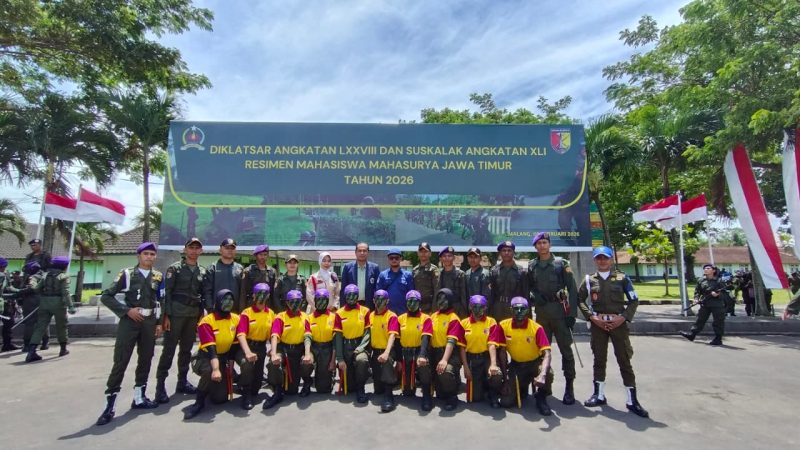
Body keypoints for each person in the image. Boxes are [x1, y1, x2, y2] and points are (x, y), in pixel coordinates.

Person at [96, 242, 164, 426]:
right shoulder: (126, 274)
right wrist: (126, 311)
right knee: (121, 360)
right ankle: (109, 406)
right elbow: (106, 296)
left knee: (146, 359)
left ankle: (139, 397)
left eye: (152, 254)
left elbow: (160, 301)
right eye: (146, 254)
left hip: (149, 323)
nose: (149, 257)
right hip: (130, 322)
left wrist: (159, 323)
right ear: (139, 256)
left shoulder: (158, 276)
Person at [577, 246, 648, 418]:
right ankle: (599, 395)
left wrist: (622, 318)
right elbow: (580, 300)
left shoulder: (623, 278)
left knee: (624, 359)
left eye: (605, 258)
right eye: (599, 258)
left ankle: (632, 399)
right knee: (599, 359)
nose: (602, 261)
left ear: (611, 260)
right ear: (594, 260)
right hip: (598, 324)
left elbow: (634, 300)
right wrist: (592, 318)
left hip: (618, 324)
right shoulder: (588, 280)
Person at [527, 232, 579, 405]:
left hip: (560, 313)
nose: (542, 246)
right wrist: (534, 295)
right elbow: (529, 287)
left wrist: (572, 315)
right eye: (539, 243)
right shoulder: (532, 265)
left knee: (566, 351)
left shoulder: (561, 264)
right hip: (542, 314)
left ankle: (569, 387)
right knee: (542, 352)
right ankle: (543, 388)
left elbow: (572, 290)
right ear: (535, 247)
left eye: (545, 242)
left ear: (549, 244)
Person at [155, 237, 206, 404]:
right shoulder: (174, 269)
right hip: (175, 315)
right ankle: (160, 386)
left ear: (201, 251)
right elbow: (166, 294)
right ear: (185, 250)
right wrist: (165, 317)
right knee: (168, 351)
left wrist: (200, 315)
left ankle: (182, 382)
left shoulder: (202, 271)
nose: (193, 250)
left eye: (197, 248)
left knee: (186, 351)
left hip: (192, 316)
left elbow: (202, 295)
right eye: (191, 247)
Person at [488, 297, 553, 415]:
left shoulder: (536, 328)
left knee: (548, 373)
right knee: (506, 402)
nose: (519, 312)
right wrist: (506, 379)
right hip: (516, 365)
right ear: (511, 310)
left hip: (534, 363)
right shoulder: (503, 326)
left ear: (527, 310)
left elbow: (547, 353)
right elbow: (502, 352)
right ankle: (522, 388)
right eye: (516, 309)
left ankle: (541, 397)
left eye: (522, 309)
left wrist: (542, 374)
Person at [184, 289, 241, 420]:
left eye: (231, 300)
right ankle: (199, 402)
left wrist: (231, 369)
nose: (228, 302)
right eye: (225, 299)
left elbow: (233, 348)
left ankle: (215, 384)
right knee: (209, 371)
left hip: (222, 358)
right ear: (218, 301)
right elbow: (211, 351)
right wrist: (216, 370)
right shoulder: (206, 322)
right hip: (205, 357)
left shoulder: (235, 319)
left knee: (219, 399)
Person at [262, 289, 313, 409]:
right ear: (287, 303)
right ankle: (277, 392)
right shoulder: (280, 317)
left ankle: (307, 382)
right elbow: (274, 335)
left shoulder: (305, 317)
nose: (294, 304)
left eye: (297, 301)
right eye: (291, 302)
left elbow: (307, 336)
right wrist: (274, 353)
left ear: (301, 302)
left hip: (299, 349)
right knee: (273, 363)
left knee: (292, 390)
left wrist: (306, 354)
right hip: (283, 349)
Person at [25, 255, 76, 362]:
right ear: (64, 266)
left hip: (44, 302)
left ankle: (31, 351)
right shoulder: (63, 276)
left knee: (40, 327)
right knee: (61, 326)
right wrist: (71, 306)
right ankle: (63, 349)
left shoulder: (45, 275)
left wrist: (33, 284)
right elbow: (65, 293)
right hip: (58, 304)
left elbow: (37, 289)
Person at [234, 283, 275, 410]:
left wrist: (273, 350)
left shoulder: (271, 314)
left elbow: (273, 334)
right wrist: (247, 352)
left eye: (264, 294)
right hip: (247, 346)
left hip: (261, 348)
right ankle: (245, 393)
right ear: (253, 295)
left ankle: (242, 382)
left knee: (256, 388)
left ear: (268, 296)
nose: (261, 296)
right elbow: (241, 334)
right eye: (259, 294)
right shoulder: (247, 313)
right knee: (247, 364)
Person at [430, 288, 467, 411]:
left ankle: (453, 396)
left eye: (445, 298)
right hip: (434, 353)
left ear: (450, 301)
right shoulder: (433, 316)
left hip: (449, 355)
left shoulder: (454, 318)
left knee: (445, 371)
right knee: (440, 394)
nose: (441, 301)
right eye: (439, 298)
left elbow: (451, 341)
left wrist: (444, 360)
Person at [397, 290, 434, 411]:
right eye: (409, 301)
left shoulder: (426, 318)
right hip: (405, 352)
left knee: (423, 367)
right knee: (408, 392)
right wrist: (398, 360)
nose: (411, 304)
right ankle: (408, 387)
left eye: (414, 301)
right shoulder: (400, 318)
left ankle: (427, 395)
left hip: (419, 351)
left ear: (419, 303)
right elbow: (397, 341)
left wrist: (422, 355)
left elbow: (425, 338)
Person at [333, 284, 371, 403]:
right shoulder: (339, 313)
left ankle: (361, 388)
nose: (351, 298)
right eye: (349, 295)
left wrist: (361, 347)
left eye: (354, 295)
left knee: (361, 360)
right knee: (349, 388)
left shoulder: (365, 311)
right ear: (345, 296)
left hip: (361, 344)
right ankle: (358, 378)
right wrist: (340, 359)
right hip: (346, 346)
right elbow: (338, 337)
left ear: (357, 296)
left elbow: (367, 332)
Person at [461, 295, 500, 408]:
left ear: (485, 308)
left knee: (496, 375)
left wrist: (493, 364)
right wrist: (466, 367)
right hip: (472, 359)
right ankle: (483, 386)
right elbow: (462, 347)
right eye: (475, 307)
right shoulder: (464, 323)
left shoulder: (491, 322)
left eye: (481, 307)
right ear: (470, 307)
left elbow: (492, 345)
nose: (478, 310)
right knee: (476, 398)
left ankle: (493, 393)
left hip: (486, 357)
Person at [365, 289, 400, 412]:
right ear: (373, 301)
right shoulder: (370, 316)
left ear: (387, 301)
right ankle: (388, 383)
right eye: (377, 299)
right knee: (378, 389)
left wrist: (386, 353)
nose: (380, 302)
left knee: (386, 363)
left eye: (383, 299)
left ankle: (389, 396)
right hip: (375, 351)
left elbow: (392, 335)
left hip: (388, 351)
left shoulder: (392, 316)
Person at [680, 264, 727, 346]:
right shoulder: (701, 280)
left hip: (717, 304)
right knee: (700, 319)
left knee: (718, 322)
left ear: (713, 270)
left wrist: (718, 295)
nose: (706, 269)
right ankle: (692, 335)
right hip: (705, 303)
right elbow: (697, 291)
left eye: (708, 268)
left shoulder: (719, 281)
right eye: (705, 268)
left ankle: (718, 338)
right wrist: (696, 298)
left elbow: (725, 293)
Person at [488, 241, 528, 321]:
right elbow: (491, 294)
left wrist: (527, 314)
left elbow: (525, 294)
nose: (506, 253)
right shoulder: (494, 271)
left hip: (515, 308)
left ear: (514, 253)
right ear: (500, 253)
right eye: (504, 250)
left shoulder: (521, 271)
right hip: (497, 308)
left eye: (509, 250)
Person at [308, 288, 337, 394]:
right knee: (305, 364)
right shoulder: (309, 318)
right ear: (314, 301)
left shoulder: (334, 317)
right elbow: (306, 338)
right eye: (318, 300)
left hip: (327, 348)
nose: (321, 303)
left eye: (324, 300)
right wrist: (308, 354)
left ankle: (329, 375)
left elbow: (335, 341)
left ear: (328, 301)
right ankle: (307, 382)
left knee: (323, 389)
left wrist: (333, 360)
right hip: (313, 348)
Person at [203, 238, 244, 313]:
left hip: (234, 313)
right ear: (220, 250)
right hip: (216, 312)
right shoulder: (212, 268)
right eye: (227, 248)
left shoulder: (240, 269)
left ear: (235, 251)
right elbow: (207, 291)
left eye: (232, 248)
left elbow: (242, 292)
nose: (230, 250)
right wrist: (210, 309)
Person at [340, 242, 380, 309]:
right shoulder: (347, 267)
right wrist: (342, 308)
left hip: (369, 306)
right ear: (355, 252)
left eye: (364, 251)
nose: (362, 253)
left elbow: (377, 289)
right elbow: (343, 289)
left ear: (368, 252)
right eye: (359, 251)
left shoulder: (375, 268)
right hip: (352, 305)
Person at [240, 244, 278, 313]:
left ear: (268, 256)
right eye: (260, 255)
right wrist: (241, 311)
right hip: (251, 308)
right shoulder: (248, 271)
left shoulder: (272, 271)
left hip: (267, 308)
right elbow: (243, 293)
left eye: (265, 254)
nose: (263, 257)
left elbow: (274, 294)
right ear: (256, 256)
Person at [376, 248, 415, 314]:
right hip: (387, 313)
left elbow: (411, 295)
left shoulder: (408, 275)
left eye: (396, 258)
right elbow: (378, 294)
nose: (394, 260)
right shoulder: (382, 275)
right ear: (388, 259)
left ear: (400, 259)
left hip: (404, 312)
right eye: (391, 258)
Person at [437, 246, 467, 318]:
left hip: (457, 309)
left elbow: (463, 295)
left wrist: (464, 313)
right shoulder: (439, 273)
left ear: (453, 258)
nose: (447, 258)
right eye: (444, 256)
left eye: (449, 256)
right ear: (441, 259)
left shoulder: (460, 274)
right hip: (443, 308)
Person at [412, 242, 439, 314]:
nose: (423, 254)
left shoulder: (434, 269)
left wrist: (434, 310)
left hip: (429, 308)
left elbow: (437, 290)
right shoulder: (415, 270)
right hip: (416, 307)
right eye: (421, 251)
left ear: (430, 253)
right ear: (418, 253)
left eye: (425, 251)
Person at [0, 257, 20, 352]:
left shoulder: (5, 274)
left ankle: (7, 344)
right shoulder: (1, 276)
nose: (3, 269)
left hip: (5, 303)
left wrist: (19, 291)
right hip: (3, 302)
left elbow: (9, 287)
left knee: (9, 323)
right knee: (8, 322)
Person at [464, 247, 491, 312]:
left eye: (475, 257)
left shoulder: (485, 274)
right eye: (470, 257)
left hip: (480, 309)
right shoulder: (466, 273)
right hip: (470, 309)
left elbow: (486, 296)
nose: (472, 260)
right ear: (467, 258)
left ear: (480, 259)